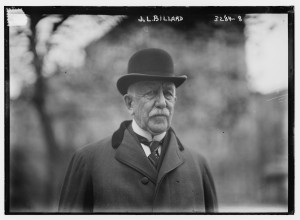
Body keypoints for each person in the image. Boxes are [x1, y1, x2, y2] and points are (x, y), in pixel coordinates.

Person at [58, 48, 218, 213]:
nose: (162, 102)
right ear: (129, 104)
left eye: (168, 93)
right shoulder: (88, 161)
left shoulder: (199, 165)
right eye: (151, 93)